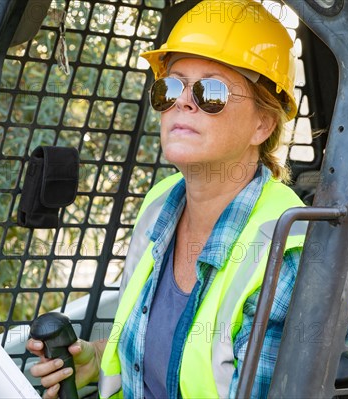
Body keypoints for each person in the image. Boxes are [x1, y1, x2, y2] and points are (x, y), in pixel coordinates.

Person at [28, 0, 307, 397]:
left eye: (212, 92)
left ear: (262, 124)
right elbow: (166, 350)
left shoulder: (286, 248)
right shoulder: (161, 204)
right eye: (170, 87)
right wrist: (95, 361)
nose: (183, 102)